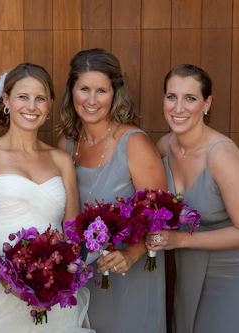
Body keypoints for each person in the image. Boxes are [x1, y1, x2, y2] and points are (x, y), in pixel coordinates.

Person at [0, 63, 94, 332]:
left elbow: (72, 232)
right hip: (0, 293)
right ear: (6, 100)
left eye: (40, 98)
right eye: (22, 97)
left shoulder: (61, 160)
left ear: (49, 104)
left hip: (53, 293)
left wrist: (54, 281)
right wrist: (13, 283)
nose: (31, 106)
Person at [146, 64, 239, 333]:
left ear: (206, 103)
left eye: (190, 98)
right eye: (171, 97)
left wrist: (177, 239)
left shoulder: (221, 154)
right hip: (189, 268)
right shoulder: (163, 147)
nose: (178, 108)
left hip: (235, 271)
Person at [58, 48, 167, 333]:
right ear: (71, 91)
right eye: (84, 89)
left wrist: (131, 253)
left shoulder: (135, 144)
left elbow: (160, 220)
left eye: (101, 91)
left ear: (115, 93)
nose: (91, 100)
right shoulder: (66, 143)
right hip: (78, 278)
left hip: (126, 275)